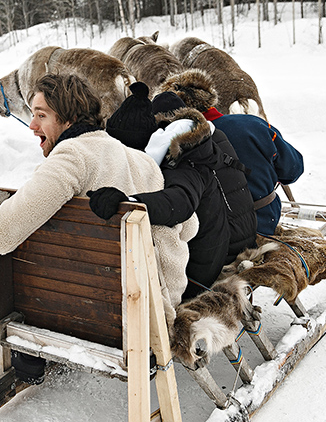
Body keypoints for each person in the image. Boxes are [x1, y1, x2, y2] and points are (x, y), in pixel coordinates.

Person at [0, 72, 198, 331]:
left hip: (115, 317)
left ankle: (26, 362)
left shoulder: (72, 156)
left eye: (41, 115)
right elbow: (190, 227)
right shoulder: (140, 159)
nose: (32, 125)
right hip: (160, 305)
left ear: (70, 118)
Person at [91, 82, 256, 298]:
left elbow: (179, 201)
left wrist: (130, 201)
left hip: (201, 271)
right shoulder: (202, 140)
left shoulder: (181, 157)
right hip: (234, 236)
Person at [157, 69, 304, 235]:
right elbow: (293, 168)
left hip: (208, 235)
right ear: (208, 97)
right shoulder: (254, 125)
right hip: (263, 224)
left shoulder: (171, 145)